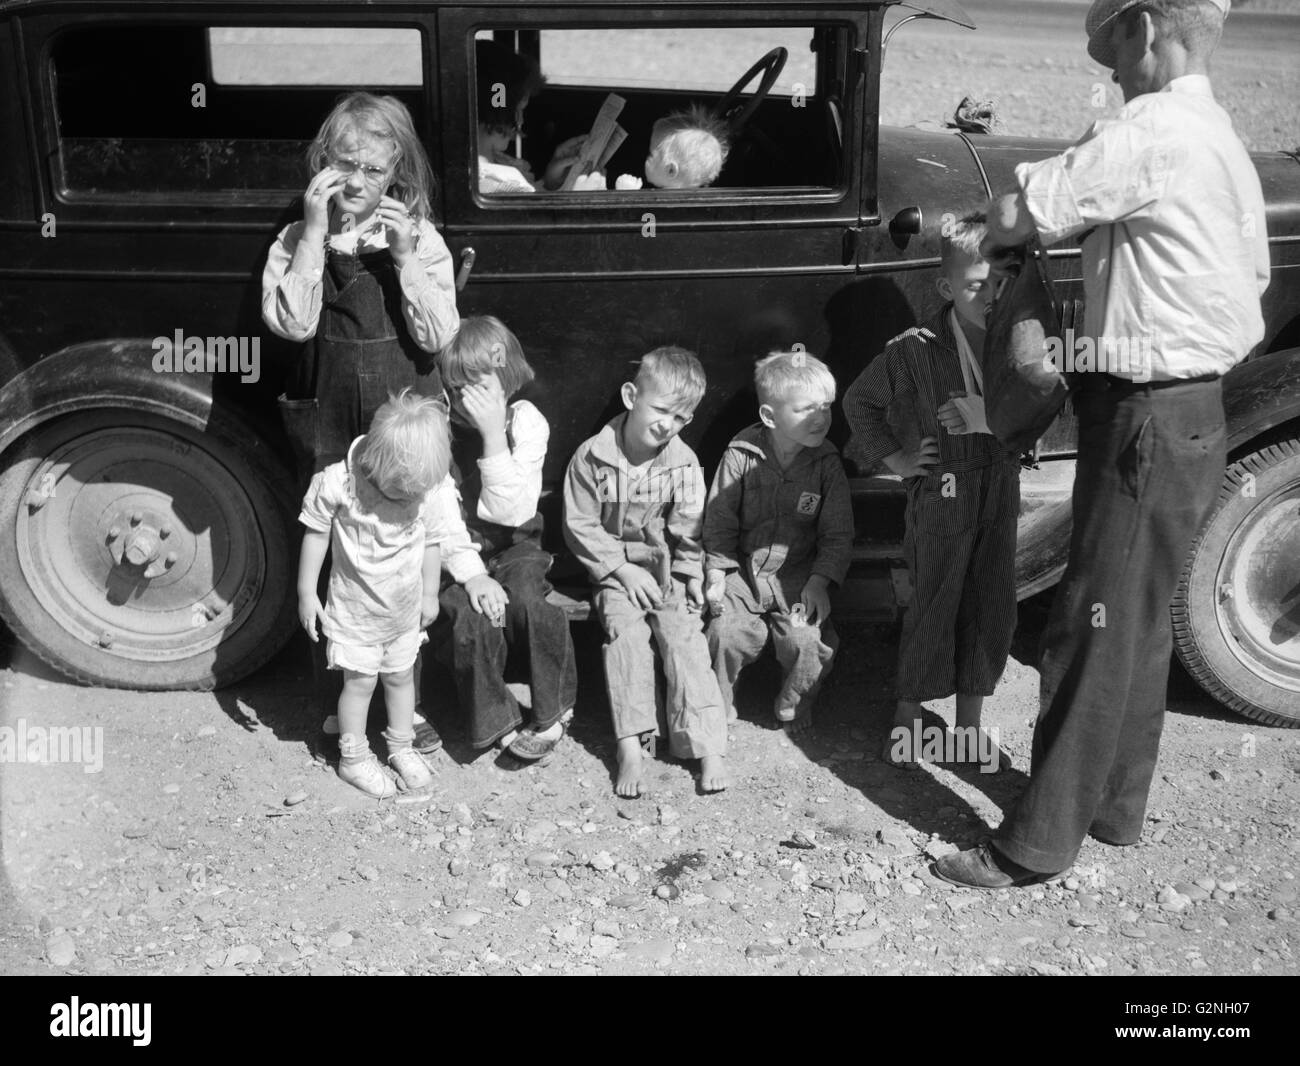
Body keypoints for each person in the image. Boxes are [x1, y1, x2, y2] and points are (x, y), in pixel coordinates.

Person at [933, 0, 1270, 888]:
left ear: (1149, 30)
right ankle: (1115, 808)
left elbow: (1025, 212)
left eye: (1116, 44)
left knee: (1088, 624)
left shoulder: (1151, 130)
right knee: (1137, 617)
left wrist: (974, 225)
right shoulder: (1217, 133)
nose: (1114, 68)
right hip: (1193, 408)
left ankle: (1034, 844)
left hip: (1143, 418)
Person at [264, 92, 459, 758]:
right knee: (337, 556)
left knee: (410, 549)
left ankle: (411, 699)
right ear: (323, 162)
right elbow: (291, 323)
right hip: (335, 414)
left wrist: (405, 260)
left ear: (397, 173)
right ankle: (341, 702)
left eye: (374, 170)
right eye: (344, 163)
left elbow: (441, 334)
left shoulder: (420, 238)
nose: (357, 182)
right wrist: (315, 238)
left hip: (404, 418)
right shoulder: (297, 237)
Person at [843, 214, 1020, 771]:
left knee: (990, 604)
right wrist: (894, 458)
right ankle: (908, 717)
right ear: (946, 288)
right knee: (933, 602)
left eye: (999, 283)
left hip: (1001, 488)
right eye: (975, 286)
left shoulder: (1019, 342)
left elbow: (1046, 403)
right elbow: (858, 402)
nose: (989, 296)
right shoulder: (914, 350)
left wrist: (996, 417)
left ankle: (969, 726)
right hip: (943, 493)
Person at [296, 390, 481, 798]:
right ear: (377, 463)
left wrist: (431, 593)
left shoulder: (425, 490)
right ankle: (354, 756)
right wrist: (307, 592)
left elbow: (432, 540)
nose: (410, 498)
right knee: (359, 685)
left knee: (400, 679)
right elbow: (315, 533)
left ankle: (401, 746)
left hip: (403, 613)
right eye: (403, 491)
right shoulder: (340, 483)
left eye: (417, 492)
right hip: (355, 613)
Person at [563, 347, 730, 797]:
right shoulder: (592, 457)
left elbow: (689, 527)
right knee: (627, 637)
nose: (666, 425)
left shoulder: (683, 462)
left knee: (684, 637)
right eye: (659, 410)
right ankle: (632, 745)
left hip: (665, 568)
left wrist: (691, 572)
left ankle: (705, 742)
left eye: (680, 418)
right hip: (615, 572)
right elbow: (580, 524)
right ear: (630, 395)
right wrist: (619, 569)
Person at [431, 316, 578, 760]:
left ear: (506, 378)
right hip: (458, 550)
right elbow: (440, 517)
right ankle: (496, 720)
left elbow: (511, 509)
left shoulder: (527, 423)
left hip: (517, 543)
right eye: (455, 388)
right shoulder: (439, 430)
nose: (464, 400)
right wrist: (473, 577)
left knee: (531, 602)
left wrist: (494, 435)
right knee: (466, 616)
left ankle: (553, 712)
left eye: (476, 387)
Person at [703, 351, 851, 735]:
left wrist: (821, 581)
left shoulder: (826, 463)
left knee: (806, 642)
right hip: (743, 572)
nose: (820, 418)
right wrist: (717, 570)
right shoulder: (740, 455)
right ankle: (719, 700)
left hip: (798, 575)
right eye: (805, 409)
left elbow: (837, 533)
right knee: (724, 634)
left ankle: (793, 705)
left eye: (826, 406)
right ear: (770, 417)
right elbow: (719, 521)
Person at [474, 39, 585, 194]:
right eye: (518, 110)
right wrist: (584, 193)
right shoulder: (505, 182)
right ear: (497, 111)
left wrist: (550, 181)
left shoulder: (488, 168)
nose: (521, 120)